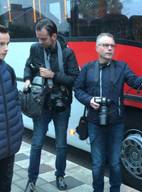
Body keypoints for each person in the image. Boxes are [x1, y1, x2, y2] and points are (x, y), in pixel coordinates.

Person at [74, 33, 142, 192]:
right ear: (97, 48)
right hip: (94, 122)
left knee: (115, 163)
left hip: (116, 122)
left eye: (112, 45)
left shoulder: (121, 67)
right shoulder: (87, 68)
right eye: (105, 45)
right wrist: (89, 100)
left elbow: (135, 82)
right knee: (97, 164)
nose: (110, 48)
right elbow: (77, 89)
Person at [23, 18, 79, 191]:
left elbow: (75, 80)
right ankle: (31, 180)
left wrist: (53, 75)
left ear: (54, 36)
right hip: (42, 105)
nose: (40, 42)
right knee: (37, 144)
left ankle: (60, 176)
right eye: (38, 38)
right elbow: (29, 66)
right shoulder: (35, 48)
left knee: (61, 144)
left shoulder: (68, 53)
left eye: (43, 39)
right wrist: (26, 79)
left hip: (62, 106)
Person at [0, 24, 24, 192]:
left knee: (5, 185)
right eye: (1, 44)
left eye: (8, 43)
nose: (6, 48)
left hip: (9, 146)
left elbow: (14, 100)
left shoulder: (8, 70)